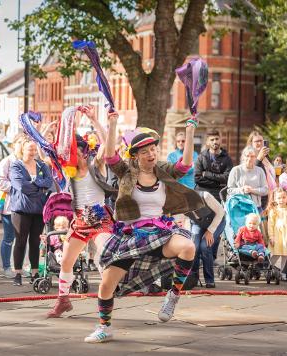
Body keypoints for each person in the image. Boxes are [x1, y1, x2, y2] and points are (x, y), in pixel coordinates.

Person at [84, 113, 203, 343]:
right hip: (131, 235)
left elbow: (186, 164)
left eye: (153, 150)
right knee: (107, 284)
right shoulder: (126, 172)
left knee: (188, 247)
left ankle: (173, 295)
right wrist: (112, 124)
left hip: (159, 232)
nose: (151, 154)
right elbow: (109, 156)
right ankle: (104, 327)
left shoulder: (163, 170)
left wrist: (189, 132)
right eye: (146, 151)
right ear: (136, 155)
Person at [47, 106, 117, 318]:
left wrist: (96, 120)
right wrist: (46, 133)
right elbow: (45, 153)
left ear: (84, 150)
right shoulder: (68, 173)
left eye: (75, 151)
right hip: (79, 219)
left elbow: (108, 145)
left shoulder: (97, 165)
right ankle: (63, 301)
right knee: (66, 261)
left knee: (105, 254)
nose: (72, 155)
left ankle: (108, 297)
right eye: (69, 152)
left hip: (101, 217)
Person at [9, 140, 53, 286]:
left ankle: (35, 273)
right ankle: (17, 273)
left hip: (39, 210)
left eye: (35, 149)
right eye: (30, 149)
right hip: (21, 210)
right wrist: (39, 189)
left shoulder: (42, 165)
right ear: (23, 149)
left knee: (35, 242)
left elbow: (49, 182)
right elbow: (21, 186)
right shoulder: (16, 165)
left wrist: (35, 186)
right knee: (20, 242)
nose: (33, 152)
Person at [0, 133, 26, 278]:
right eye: (20, 142)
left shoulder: (27, 161)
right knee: (8, 238)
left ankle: (19, 267)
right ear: (14, 145)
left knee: (22, 238)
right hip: (8, 205)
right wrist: (18, 187)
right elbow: (0, 182)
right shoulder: (7, 161)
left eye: (24, 143)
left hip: (24, 205)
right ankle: (6, 267)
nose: (22, 145)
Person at [186, 191, 226, 288]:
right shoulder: (181, 204)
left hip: (216, 220)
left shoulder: (205, 196)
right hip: (197, 223)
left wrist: (210, 231)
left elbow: (221, 212)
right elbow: (186, 220)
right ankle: (193, 278)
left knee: (205, 246)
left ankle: (209, 280)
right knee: (194, 247)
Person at [194, 130, 233, 201]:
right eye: (212, 140)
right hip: (202, 193)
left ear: (220, 140)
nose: (215, 142)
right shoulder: (201, 157)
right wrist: (218, 183)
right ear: (207, 142)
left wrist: (207, 174)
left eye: (217, 139)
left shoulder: (227, 159)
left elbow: (227, 178)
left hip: (219, 195)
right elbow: (197, 178)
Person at [267, 188, 287, 271]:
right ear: (275, 199)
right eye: (279, 198)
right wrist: (271, 236)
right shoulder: (273, 210)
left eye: (283, 197)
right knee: (276, 253)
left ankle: (283, 272)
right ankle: (272, 269)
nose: (281, 200)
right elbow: (270, 225)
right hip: (277, 235)